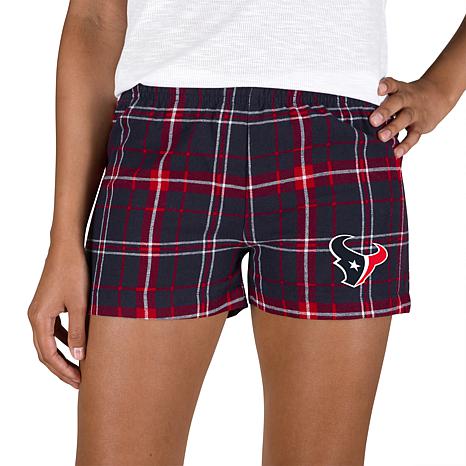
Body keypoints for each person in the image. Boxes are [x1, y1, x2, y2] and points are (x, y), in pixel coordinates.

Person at [27, 1, 465, 464]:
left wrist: (441, 89)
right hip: (161, 140)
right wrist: (63, 240)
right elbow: (95, 18)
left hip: (333, 143)